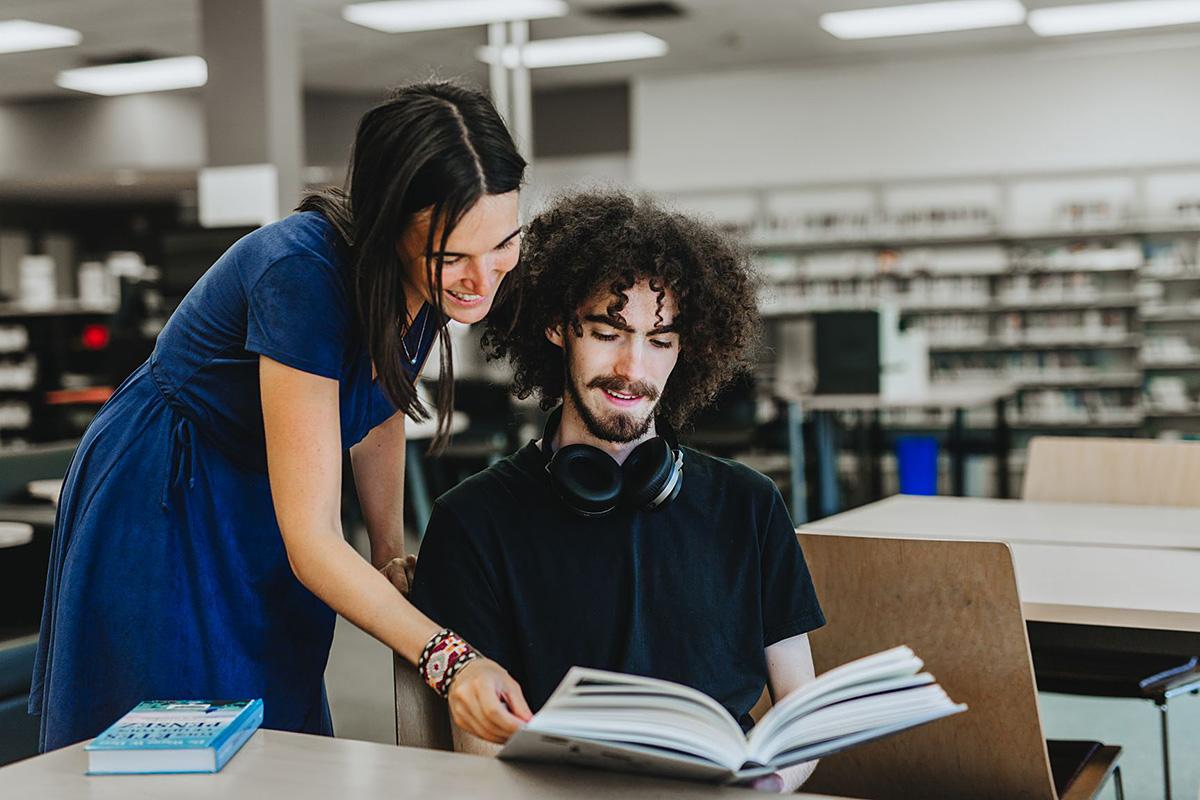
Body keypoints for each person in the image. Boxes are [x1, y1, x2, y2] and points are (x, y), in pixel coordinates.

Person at [31, 81, 533, 752]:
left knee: (273, 712)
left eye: (504, 243)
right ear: (390, 227)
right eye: (453, 258)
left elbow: (375, 398)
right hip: (168, 491)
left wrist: (388, 546)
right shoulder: (301, 273)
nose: (483, 279)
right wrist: (451, 661)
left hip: (265, 488)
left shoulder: (420, 276)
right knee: (176, 734)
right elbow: (315, 544)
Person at [410, 191, 826, 792]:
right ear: (557, 327)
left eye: (660, 342)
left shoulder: (749, 504)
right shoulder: (472, 522)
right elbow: (479, 756)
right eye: (608, 332)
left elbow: (800, 711)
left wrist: (768, 785)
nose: (634, 368)